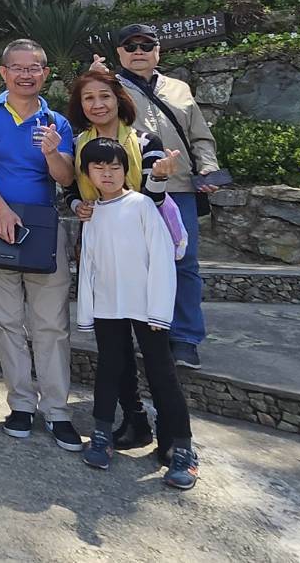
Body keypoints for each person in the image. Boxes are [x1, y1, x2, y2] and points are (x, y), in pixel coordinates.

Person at [0, 39, 82, 452]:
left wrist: (52, 153)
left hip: (43, 229)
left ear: (45, 73)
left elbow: (65, 178)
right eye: (17, 67)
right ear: (3, 72)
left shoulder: (56, 122)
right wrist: (0, 210)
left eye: (34, 68)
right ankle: (19, 404)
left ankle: (57, 410)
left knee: (52, 324)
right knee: (5, 322)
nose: (25, 74)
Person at [95, 23, 222, 370]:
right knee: (139, 265)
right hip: (133, 190)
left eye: (146, 45)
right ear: (119, 53)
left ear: (157, 50)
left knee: (184, 262)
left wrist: (207, 168)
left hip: (178, 188)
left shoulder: (178, 89)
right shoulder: (110, 88)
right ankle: (149, 333)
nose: (138, 51)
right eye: (130, 46)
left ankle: (185, 338)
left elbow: (200, 137)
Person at [75, 138, 199, 489]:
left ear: (126, 170)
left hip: (146, 307)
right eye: (99, 167)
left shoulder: (143, 205)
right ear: (87, 173)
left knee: (162, 372)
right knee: (109, 369)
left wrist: (159, 311)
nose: (108, 174)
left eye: (115, 167)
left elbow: (161, 256)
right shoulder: (92, 213)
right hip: (108, 305)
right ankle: (101, 434)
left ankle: (183, 448)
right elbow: (89, 265)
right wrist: (87, 312)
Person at [65, 67, 176, 450]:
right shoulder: (79, 145)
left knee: (157, 355)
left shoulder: (145, 141)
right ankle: (134, 420)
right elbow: (71, 190)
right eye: (88, 98)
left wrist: (159, 178)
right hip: (103, 248)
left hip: (144, 254)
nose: (97, 104)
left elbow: (152, 198)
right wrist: (79, 205)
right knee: (115, 354)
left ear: (119, 100)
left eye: (104, 96)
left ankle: (174, 437)